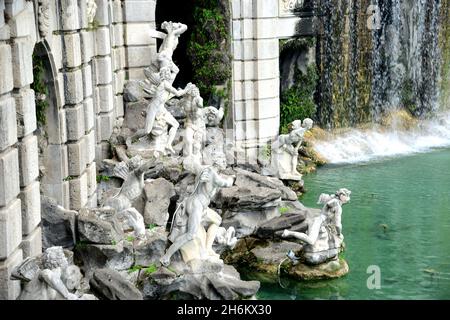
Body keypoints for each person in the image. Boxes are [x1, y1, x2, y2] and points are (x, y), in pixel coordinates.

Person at [160, 160, 234, 267]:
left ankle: (208, 248)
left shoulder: (205, 168)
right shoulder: (213, 174)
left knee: (217, 220)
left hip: (196, 202)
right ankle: (166, 256)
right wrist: (232, 178)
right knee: (191, 234)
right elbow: (226, 184)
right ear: (220, 163)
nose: (225, 163)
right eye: (223, 161)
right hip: (197, 206)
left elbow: (193, 163)